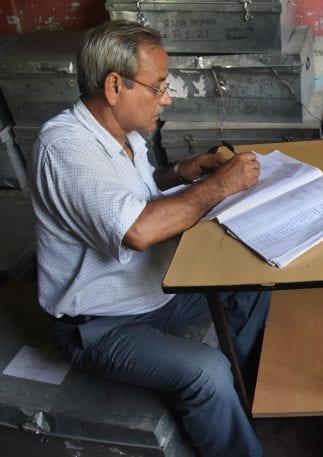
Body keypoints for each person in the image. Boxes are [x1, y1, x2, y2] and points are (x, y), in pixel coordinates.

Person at [29, 20, 269, 457]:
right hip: (101, 324)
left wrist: (180, 172)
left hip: (156, 292)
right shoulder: (64, 147)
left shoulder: (121, 134)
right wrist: (219, 186)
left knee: (253, 284)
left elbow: (131, 192)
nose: (167, 97)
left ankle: (236, 390)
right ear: (114, 86)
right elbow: (137, 230)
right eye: (158, 86)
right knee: (205, 372)